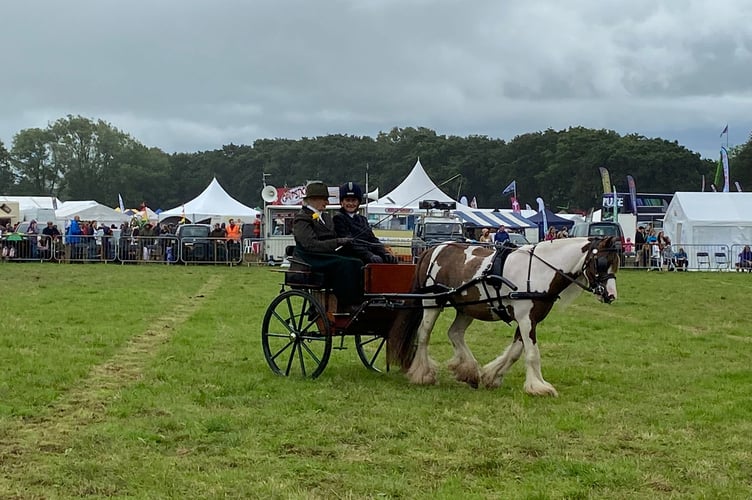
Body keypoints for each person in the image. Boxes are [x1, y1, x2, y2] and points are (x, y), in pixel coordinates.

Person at [292, 181, 362, 310]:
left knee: (357, 262)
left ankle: (356, 299)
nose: (327, 202)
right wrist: (337, 242)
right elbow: (310, 245)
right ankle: (346, 303)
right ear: (313, 199)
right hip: (311, 258)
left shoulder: (326, 217)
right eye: (324, 199)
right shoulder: (302, 219)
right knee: (345, 264)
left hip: (325, 255)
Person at [333, 181, 398, 264]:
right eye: (347, 200)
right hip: (351, 255)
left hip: (367, 254)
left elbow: (372, 239)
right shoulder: (338, 218)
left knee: (390, 261)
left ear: (358, 202)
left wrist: (384, 252)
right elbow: (350, 243)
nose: (351, 203)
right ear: (342, 202)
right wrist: (369, 255)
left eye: (354, 200)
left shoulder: (362, 219)